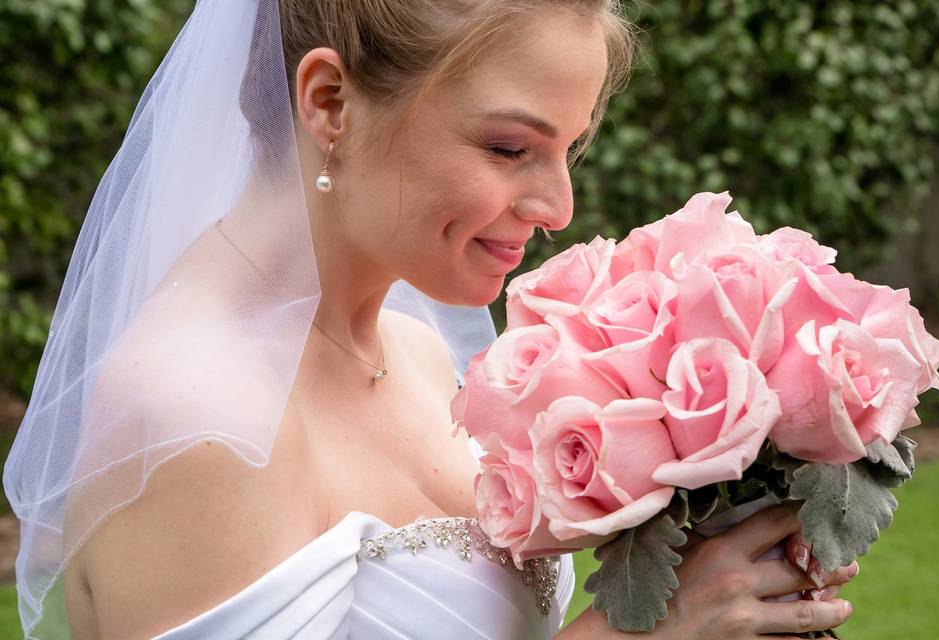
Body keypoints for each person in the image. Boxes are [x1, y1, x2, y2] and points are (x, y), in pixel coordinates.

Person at [2, 0, 857, 638]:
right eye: (509, 148)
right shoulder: (196, 419)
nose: (559, 205)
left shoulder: (411, 354)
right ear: (330, 102)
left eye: (571, 147)